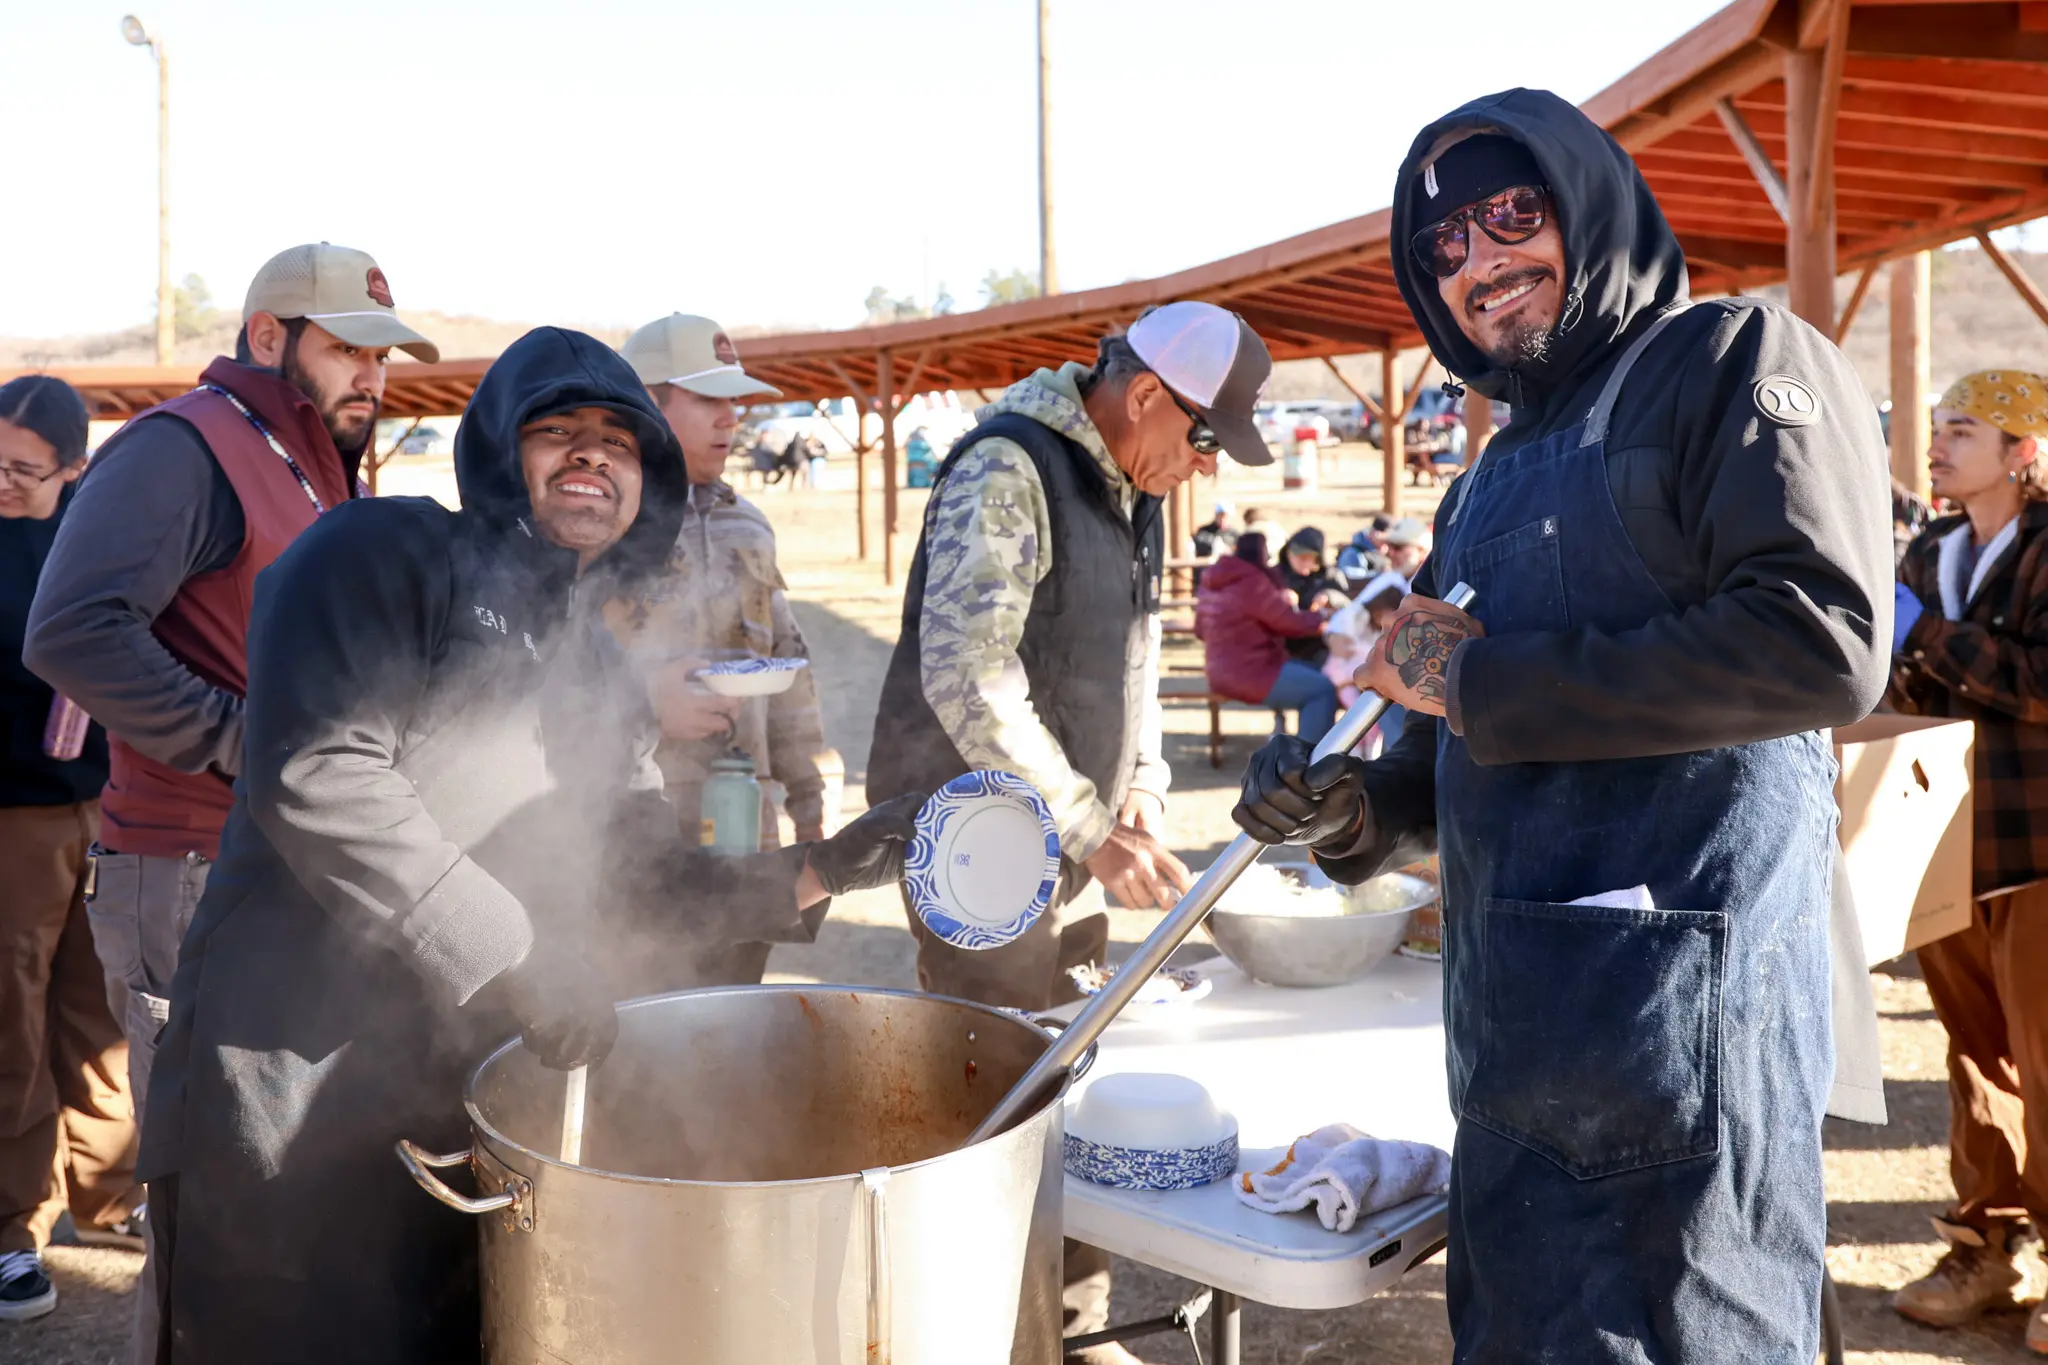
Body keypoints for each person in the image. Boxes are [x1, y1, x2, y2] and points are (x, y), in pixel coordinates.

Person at [1231, 94, 1890, 1363]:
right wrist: (1359, 812)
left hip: (1677, 1024)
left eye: (1509, 217)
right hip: (1512, 1036)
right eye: (1443, 249)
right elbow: (1456, 733)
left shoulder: (1732, 361)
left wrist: (1480, 687)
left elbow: (1820, 640)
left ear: (1585, 207)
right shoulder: (1481, 478)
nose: (1477, 264)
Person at [132, 328, 918, 1364]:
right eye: (557, 432)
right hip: (291, 1093)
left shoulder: (595, 663)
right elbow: (319, 774)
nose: (591, 455)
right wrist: (518, 955)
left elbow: (642, 880)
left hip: (467, 1099)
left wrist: (821, 867)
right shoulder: (383, 552)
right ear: (500, 450)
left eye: (620, 443)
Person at [22, 242, 437, 1354]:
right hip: (187, 870)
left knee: (275, 1186)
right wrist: (253, 747)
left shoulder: (317, 462)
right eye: (346, 346)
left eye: (381, 354)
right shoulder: (186, 449)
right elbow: (70, 632)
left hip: (283, 874)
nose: (372, 374)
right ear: (268, 337)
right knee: (203, 1201)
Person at [865, 299, 1273, 1359]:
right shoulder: (1012, 467)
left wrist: (1140, 777)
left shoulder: (1124, 478)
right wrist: (1089, 823)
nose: (1202, 466)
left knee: (1068, 1090)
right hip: (979, 858)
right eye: (1201, 439)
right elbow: (970, 671)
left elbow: (1131, 651)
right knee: (991, 1113)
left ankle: (1066, 1331)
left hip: (1061, 851)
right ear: (1144, 396)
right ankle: (974, 1333)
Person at [1886, 372, 2048, 1354]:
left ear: (2020, 453)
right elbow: (1900, 684)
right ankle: (1982, 1247)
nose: (1937, 445)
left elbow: (2037, 685)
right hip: (1939, 841)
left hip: (2036, 847)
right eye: (1938, 428)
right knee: (1971, 1057)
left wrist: (1923, 634)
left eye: (1962, 431)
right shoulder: (1926, 547)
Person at [608, 313, 832, 987]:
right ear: (647, 401)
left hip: (748, 834)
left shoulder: (748, 524)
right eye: (709, 398)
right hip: (641, 842)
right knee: (644, 1040)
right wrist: (644, 701)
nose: (731, 417)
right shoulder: (599, 522)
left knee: (731, 1022)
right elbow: (548, 676)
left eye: (735, 400)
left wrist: (810, 794)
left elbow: (788, 661)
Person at [0, 377, 140, 1326]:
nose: (2, 480)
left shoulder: (101, 530)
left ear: (75, 469)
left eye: (22, 467)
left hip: (105, 803)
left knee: (104, 1009)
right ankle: (12, 1229)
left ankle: (109, 1194)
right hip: (10, 813)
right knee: (9, 1015)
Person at [1196, 532, 1338, 746]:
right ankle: (1309, 765)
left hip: (1219, 671)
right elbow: (1288, 622)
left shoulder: (1212, 582)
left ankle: (1299, 751)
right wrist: (1323, 616)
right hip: (1252, 673)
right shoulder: (1251, 581)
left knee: (1316, 677)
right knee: (1322, 690)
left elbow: (1199, 630)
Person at [1277, 527, 1349, 668]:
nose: (1302, 563)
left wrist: (1329, 597)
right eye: (1298, 557)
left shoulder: (1330, 577)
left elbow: (1349, 605)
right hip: (1283, 647)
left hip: (1320, 647)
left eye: (1307, 558)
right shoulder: (1277, 575)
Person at [1335, 516, 1392, 591]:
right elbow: (1346, 578)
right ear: (1374, 533)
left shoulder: (1389, 551)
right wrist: (1380, 575)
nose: (1386, 544)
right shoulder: (1353, 552)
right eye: (1384, 540)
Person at [1379, 516, 1430, 582]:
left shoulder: (1435, 587)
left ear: (1421, 550)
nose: (1390, 553)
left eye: (1397, 547)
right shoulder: (1386, 580)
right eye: (1390, 546)